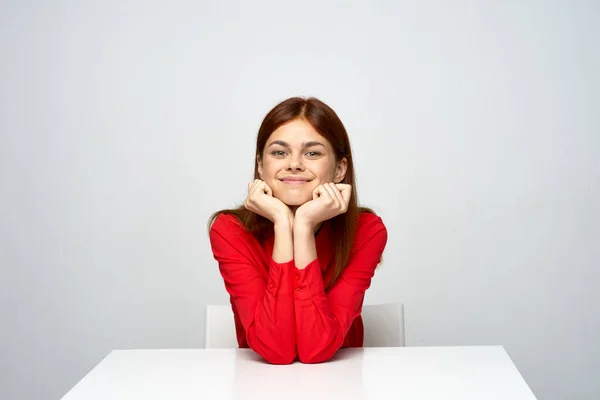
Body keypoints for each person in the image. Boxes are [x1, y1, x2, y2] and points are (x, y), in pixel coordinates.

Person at [208, 96, 388, 364]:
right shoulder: (229, 230)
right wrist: (283, 222)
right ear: (260, 166)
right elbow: (276, 351)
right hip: (259, 385)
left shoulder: (367, 231)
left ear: (340, 169)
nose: (294, 164)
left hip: (340, 384)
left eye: (312, 152)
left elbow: (316, 349)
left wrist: (302, 226)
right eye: (279, 152)